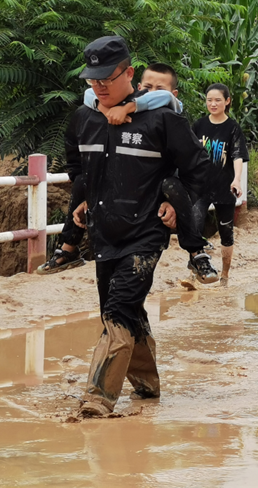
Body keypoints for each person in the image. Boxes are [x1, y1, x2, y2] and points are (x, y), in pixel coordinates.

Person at [65, 36, 210, 417]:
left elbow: (198, 169)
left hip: (145, 233)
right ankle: (146, 385)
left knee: (117, 309)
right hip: (103, 234)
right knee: (124, 311)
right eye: (93, 79)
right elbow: (76, 166)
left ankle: (98, 398)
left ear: (129, 73)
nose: (99, 86)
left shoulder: (163, 119)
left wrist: (175, 203)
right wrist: (83, 199)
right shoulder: (84, 118)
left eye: (107, 78)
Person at [37, 64, 218, 282]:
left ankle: (196, 252)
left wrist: (129, 107)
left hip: (165, 184)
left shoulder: (169, 112)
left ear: (174, 93)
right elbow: (89, 94)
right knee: (83, 180)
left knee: (173, 187)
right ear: (139, 87)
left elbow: (163, 101)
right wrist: (107, 109)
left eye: (160, 88)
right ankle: (68, 247)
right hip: (123, 195)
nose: (153, 93)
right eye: (147, 87)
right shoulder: (114, 111)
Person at [191, 83, 249, 286]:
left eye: (217, 100)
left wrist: (237, 179)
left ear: (227, 101)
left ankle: (225, 276)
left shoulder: (232, 128)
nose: (213, 104)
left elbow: (237, 156)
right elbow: (189, 153)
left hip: (225, 187)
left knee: (226, 231)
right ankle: (195, 273)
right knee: (194, 227)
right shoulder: (198, 126)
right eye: (209, 100)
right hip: (200, 187)